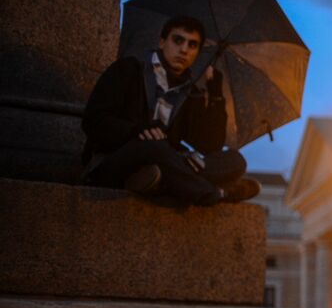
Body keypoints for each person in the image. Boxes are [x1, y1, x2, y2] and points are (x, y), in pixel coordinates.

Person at [81, 16, 259, 204]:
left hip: (166, 163)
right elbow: (93, 121)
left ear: (197, 53)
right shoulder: (128, 69)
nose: (184, 49)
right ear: (162, 41)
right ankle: (216, 194)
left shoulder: (191, 94)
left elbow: (209, 145)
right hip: (114, 161)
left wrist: (215, 95)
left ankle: (160, 183)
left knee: (235, 160)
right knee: (153, 147)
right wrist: (137, 130)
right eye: (178, 40)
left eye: (192, 45)